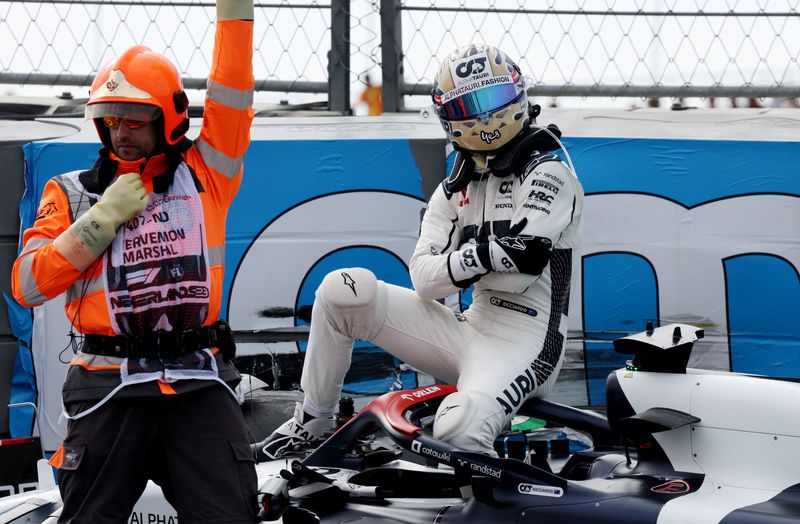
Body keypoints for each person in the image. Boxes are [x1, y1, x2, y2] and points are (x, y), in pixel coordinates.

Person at [255, 44, 584, 458]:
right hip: (468, 329)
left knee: (458, 427)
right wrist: (488, 254)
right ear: (450, 115)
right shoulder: (453, 188)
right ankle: (315, 422)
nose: (485, 115)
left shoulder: (549, 170)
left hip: (527, 345)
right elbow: (424, 281)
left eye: (494, 98)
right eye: (473, 104)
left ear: (518, 93)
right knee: (343, 291)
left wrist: (464, 260)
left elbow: (523, 267)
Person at [11, 1, 256, 522]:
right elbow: (28, 285)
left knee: (232, 514)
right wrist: (100, 222)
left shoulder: (208, 170)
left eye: (136, 120)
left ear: (169, 119)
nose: (121, 132)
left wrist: (235, 12)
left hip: (197, 381)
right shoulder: (72, 192)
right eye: (110, 120)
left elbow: (233, 89)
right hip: (106, 387)